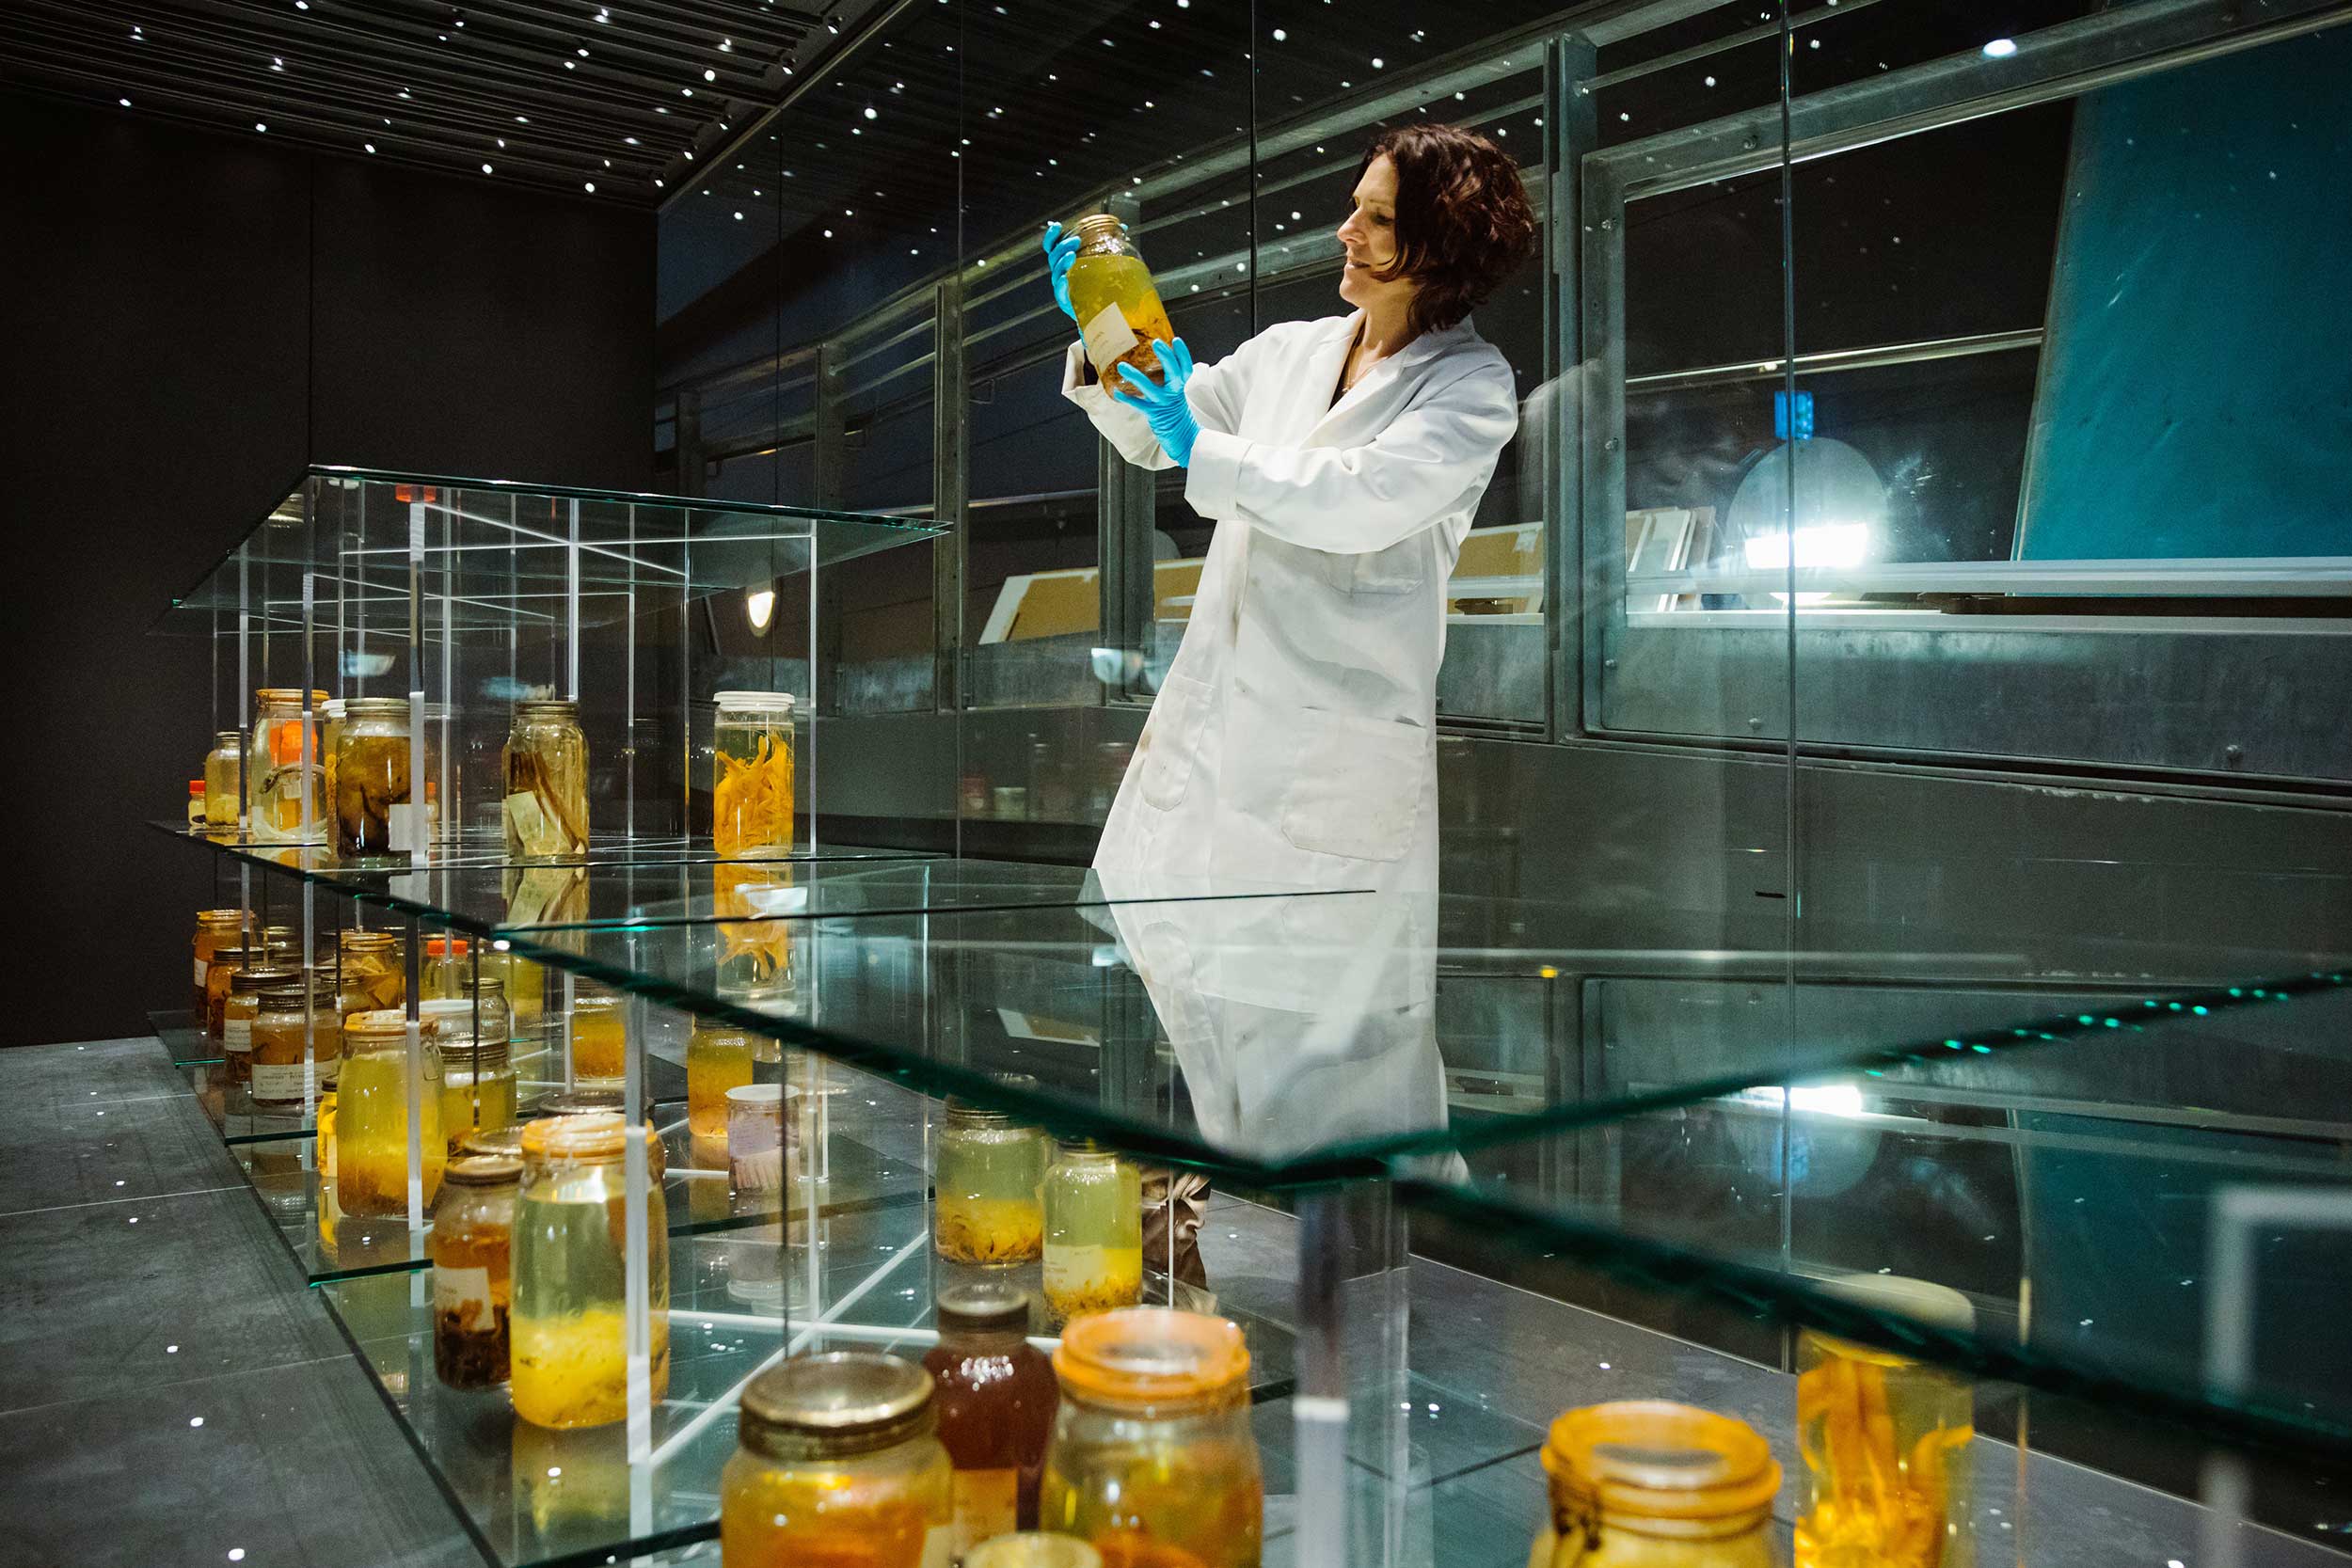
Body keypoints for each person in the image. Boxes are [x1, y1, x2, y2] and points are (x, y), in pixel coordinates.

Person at [1046, 123, 1535, 897]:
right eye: (1356, 208)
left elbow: (1355, 501)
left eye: (1378, 219)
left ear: (1444, 246)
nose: (1348, 231)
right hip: (1205, 753)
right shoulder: (1288, 351)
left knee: (1319, 1011)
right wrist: (1100, 330)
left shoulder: (1470, 387)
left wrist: (1197, 444)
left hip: (1332, 779)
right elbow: (1152, 431)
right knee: (1181, 986)